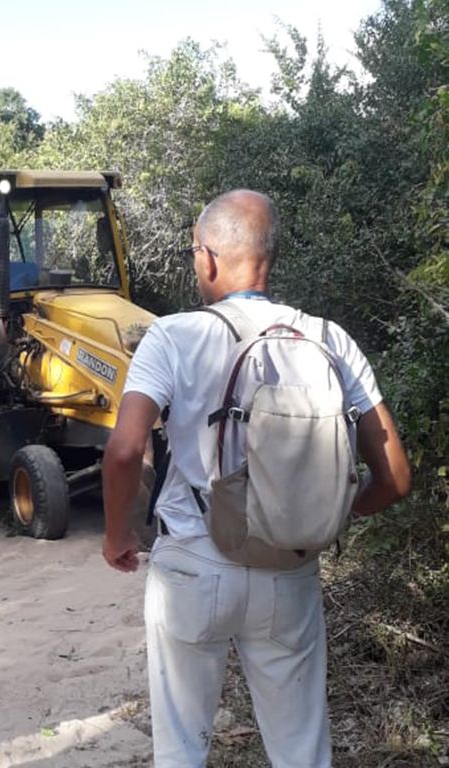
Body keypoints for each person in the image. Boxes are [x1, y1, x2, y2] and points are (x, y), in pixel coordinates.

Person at [101, 189, 411, 767]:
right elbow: (394, 476)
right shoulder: (329, 339)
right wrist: (323, 517)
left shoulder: (173, 335)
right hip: (289, 569)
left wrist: (117, 533)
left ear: (209, 258)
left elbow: (123, 451)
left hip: (194, 563)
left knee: (181, 750)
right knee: (301, 752)